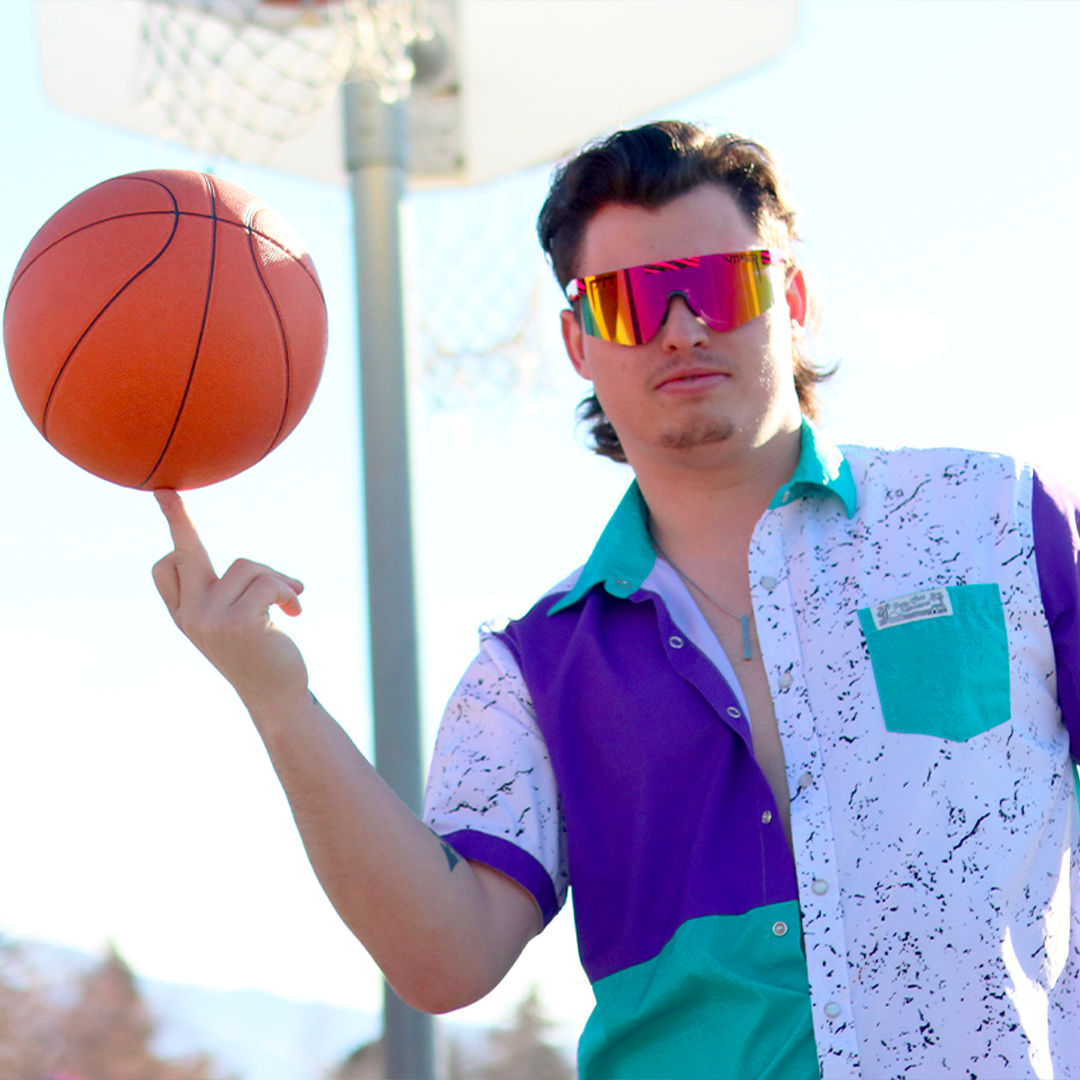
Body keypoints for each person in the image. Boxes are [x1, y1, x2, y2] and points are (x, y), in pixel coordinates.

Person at [154, 121, 1080, 1080]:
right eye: (630, 301)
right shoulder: (530, 671)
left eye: (719, 284)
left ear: (792, 297)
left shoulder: (1002, 519)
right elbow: (445, 960)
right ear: (578, 341)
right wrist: (278, 700)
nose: (681, 328)